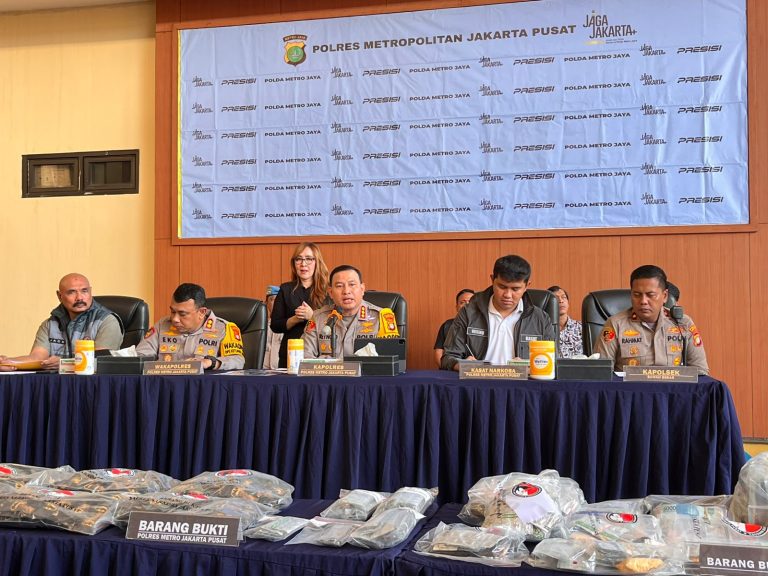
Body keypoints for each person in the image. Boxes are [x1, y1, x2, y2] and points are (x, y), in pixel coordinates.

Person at [440, 255, 556, 371]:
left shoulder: (541, 319)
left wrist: (530, 366)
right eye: (502, 287)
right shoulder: (468, 313)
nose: (507, 295)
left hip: (521, 381)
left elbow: (554, 362)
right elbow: (448, 358)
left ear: (527, 286)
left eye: (515, 289)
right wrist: (463, 365)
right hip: (478, 380)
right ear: (492, 280)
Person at [594, 265, 708, 375]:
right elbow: (600, 373)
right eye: (637, 295)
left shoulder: (683, 323)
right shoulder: (615, 324)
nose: (643, 301)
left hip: (672, 388)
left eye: (650, 295)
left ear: (665, 296)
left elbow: (700, 370)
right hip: (630, 388)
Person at [0, 273, 123, 371]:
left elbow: (100, 361)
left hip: (91, 386)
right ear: (59, 296)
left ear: (90, 292)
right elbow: (37, 358)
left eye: (84, 291)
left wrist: (63, 364)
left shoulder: (107, 321)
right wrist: (8, 362)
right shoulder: (49, 324)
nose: (79, 297)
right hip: (57, 386)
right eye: (71, 292)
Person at [136, 283, 244, 370]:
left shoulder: (225, 329)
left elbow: (237, 361)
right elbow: (140, 357)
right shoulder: (162, 325)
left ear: (201, 312)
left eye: (182, 314)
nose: (175, 319)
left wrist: (210, 362)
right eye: (173, 312)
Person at [302, 265, 386, 359]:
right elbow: (304, 356)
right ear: (331, 293)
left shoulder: (381, 318)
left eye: (352, 284)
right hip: (328, 369)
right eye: (339, 286)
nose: (346, 291)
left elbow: (390, 357)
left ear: (362, 289)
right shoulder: (318, 318)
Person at [271, 242, 330, 368]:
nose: (303, 264)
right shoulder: (285, 289)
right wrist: (295, 319)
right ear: (294, 263)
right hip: (290, 354)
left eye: (308, 259)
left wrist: (312, 317)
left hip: (320, 354)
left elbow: (335, 325)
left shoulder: (328, 291)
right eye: (299, 259)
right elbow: (275, 325)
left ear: (317, 262)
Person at [433, 289, 475, 367]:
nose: (467, 305)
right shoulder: (447, 325)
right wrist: (448, 369)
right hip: (452, 370)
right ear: (457, 307)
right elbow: (438, 354)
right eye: (462, 302)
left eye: (470, 302)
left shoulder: (484, 326)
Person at [547, 285, 583, 358]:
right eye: (556, 298)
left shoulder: (581, 327)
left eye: (563, 297)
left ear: (568, 303)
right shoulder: (544, 329)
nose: (561, 301)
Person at [263, 285, 283, 370]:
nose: (276, 303)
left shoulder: (289, 325)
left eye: (279, 300)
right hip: (262, 372)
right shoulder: (259, 327)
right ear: (266, 303)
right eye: (272, 300)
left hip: (283, 372)